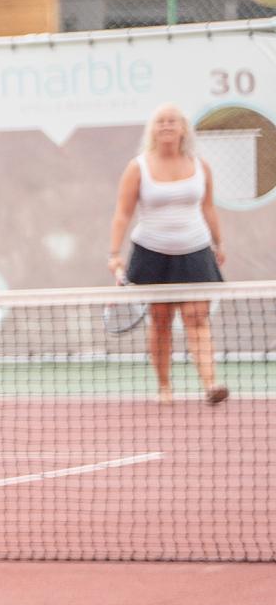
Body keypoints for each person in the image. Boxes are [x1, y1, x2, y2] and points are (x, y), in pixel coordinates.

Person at [105, 104, 232, 404]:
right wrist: (114, 253)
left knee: (196, 317)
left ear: (182, 128)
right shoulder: (138, 167)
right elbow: (122, 214)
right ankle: (164, 388)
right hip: (152, 253)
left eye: (172, 121)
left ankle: (211, 385)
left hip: (196, 251)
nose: (166, 126)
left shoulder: (201, 166)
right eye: (160, 121)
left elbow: (208, 207)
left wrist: (218, 243)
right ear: (153, 129)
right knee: (160, 321)